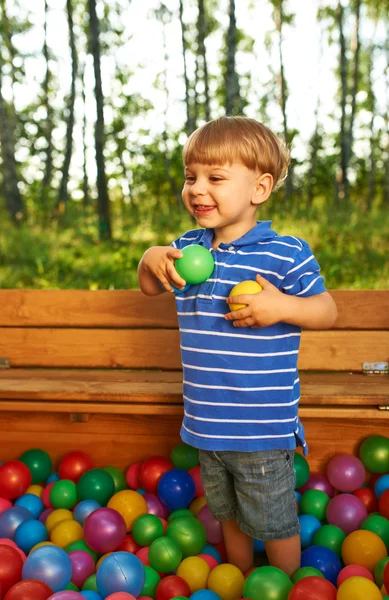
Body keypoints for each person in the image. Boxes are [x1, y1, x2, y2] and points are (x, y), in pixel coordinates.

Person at [137, 116, 338, 576]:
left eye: (215, 177)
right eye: (191, 177)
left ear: (259, 189)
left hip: (260, 425)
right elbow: (150, 287)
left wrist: (280, 307)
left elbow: (327, 311)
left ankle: (287, 584)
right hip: (207, 422)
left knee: (275, 520)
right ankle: (240, 578)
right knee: (227, 514)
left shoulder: (284, 253)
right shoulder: (186, 248)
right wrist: (149, 258)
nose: (197, 188)